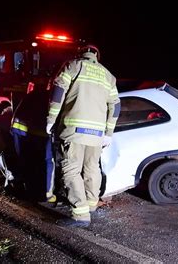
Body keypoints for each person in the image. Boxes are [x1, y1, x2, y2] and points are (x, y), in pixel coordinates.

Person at [46, 44, 120, 227]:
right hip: (96, 135)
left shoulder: (72, 66)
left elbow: (58, 93)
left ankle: (80, 215)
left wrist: (51, 119)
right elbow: (116, 106)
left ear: (81, 53)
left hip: (74, 131)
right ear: (97, 56)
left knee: (71, 170)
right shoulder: (108, 75)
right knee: (91, 169)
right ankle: (91, 204)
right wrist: (108, 133)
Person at [11, 83, 56, 202]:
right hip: (33, 132)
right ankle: (45, 193)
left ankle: (21, 187)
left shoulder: (32, 95)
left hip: (19, 129)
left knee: (24, 159)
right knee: (45, 161)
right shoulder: (50, 98)